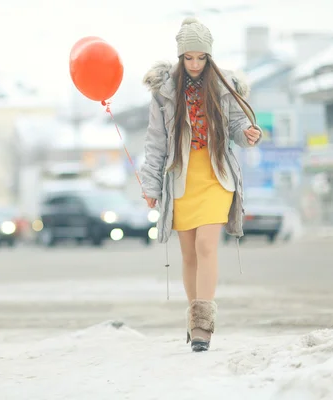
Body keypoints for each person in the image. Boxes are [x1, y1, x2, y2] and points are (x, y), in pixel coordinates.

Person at [140, 17, 261, 352]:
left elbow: (238, 124)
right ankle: (194, 322)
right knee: (189, 254)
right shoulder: (164, 93)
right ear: (180, 57)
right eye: (189, 57)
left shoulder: (224, 87)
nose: (195, 64)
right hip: (180, 180)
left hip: (215, 176)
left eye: (201, 57)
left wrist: (248, 134)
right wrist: (151, 187)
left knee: (207, 246)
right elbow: (155, 144)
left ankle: (202, 325)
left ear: (210, 57)